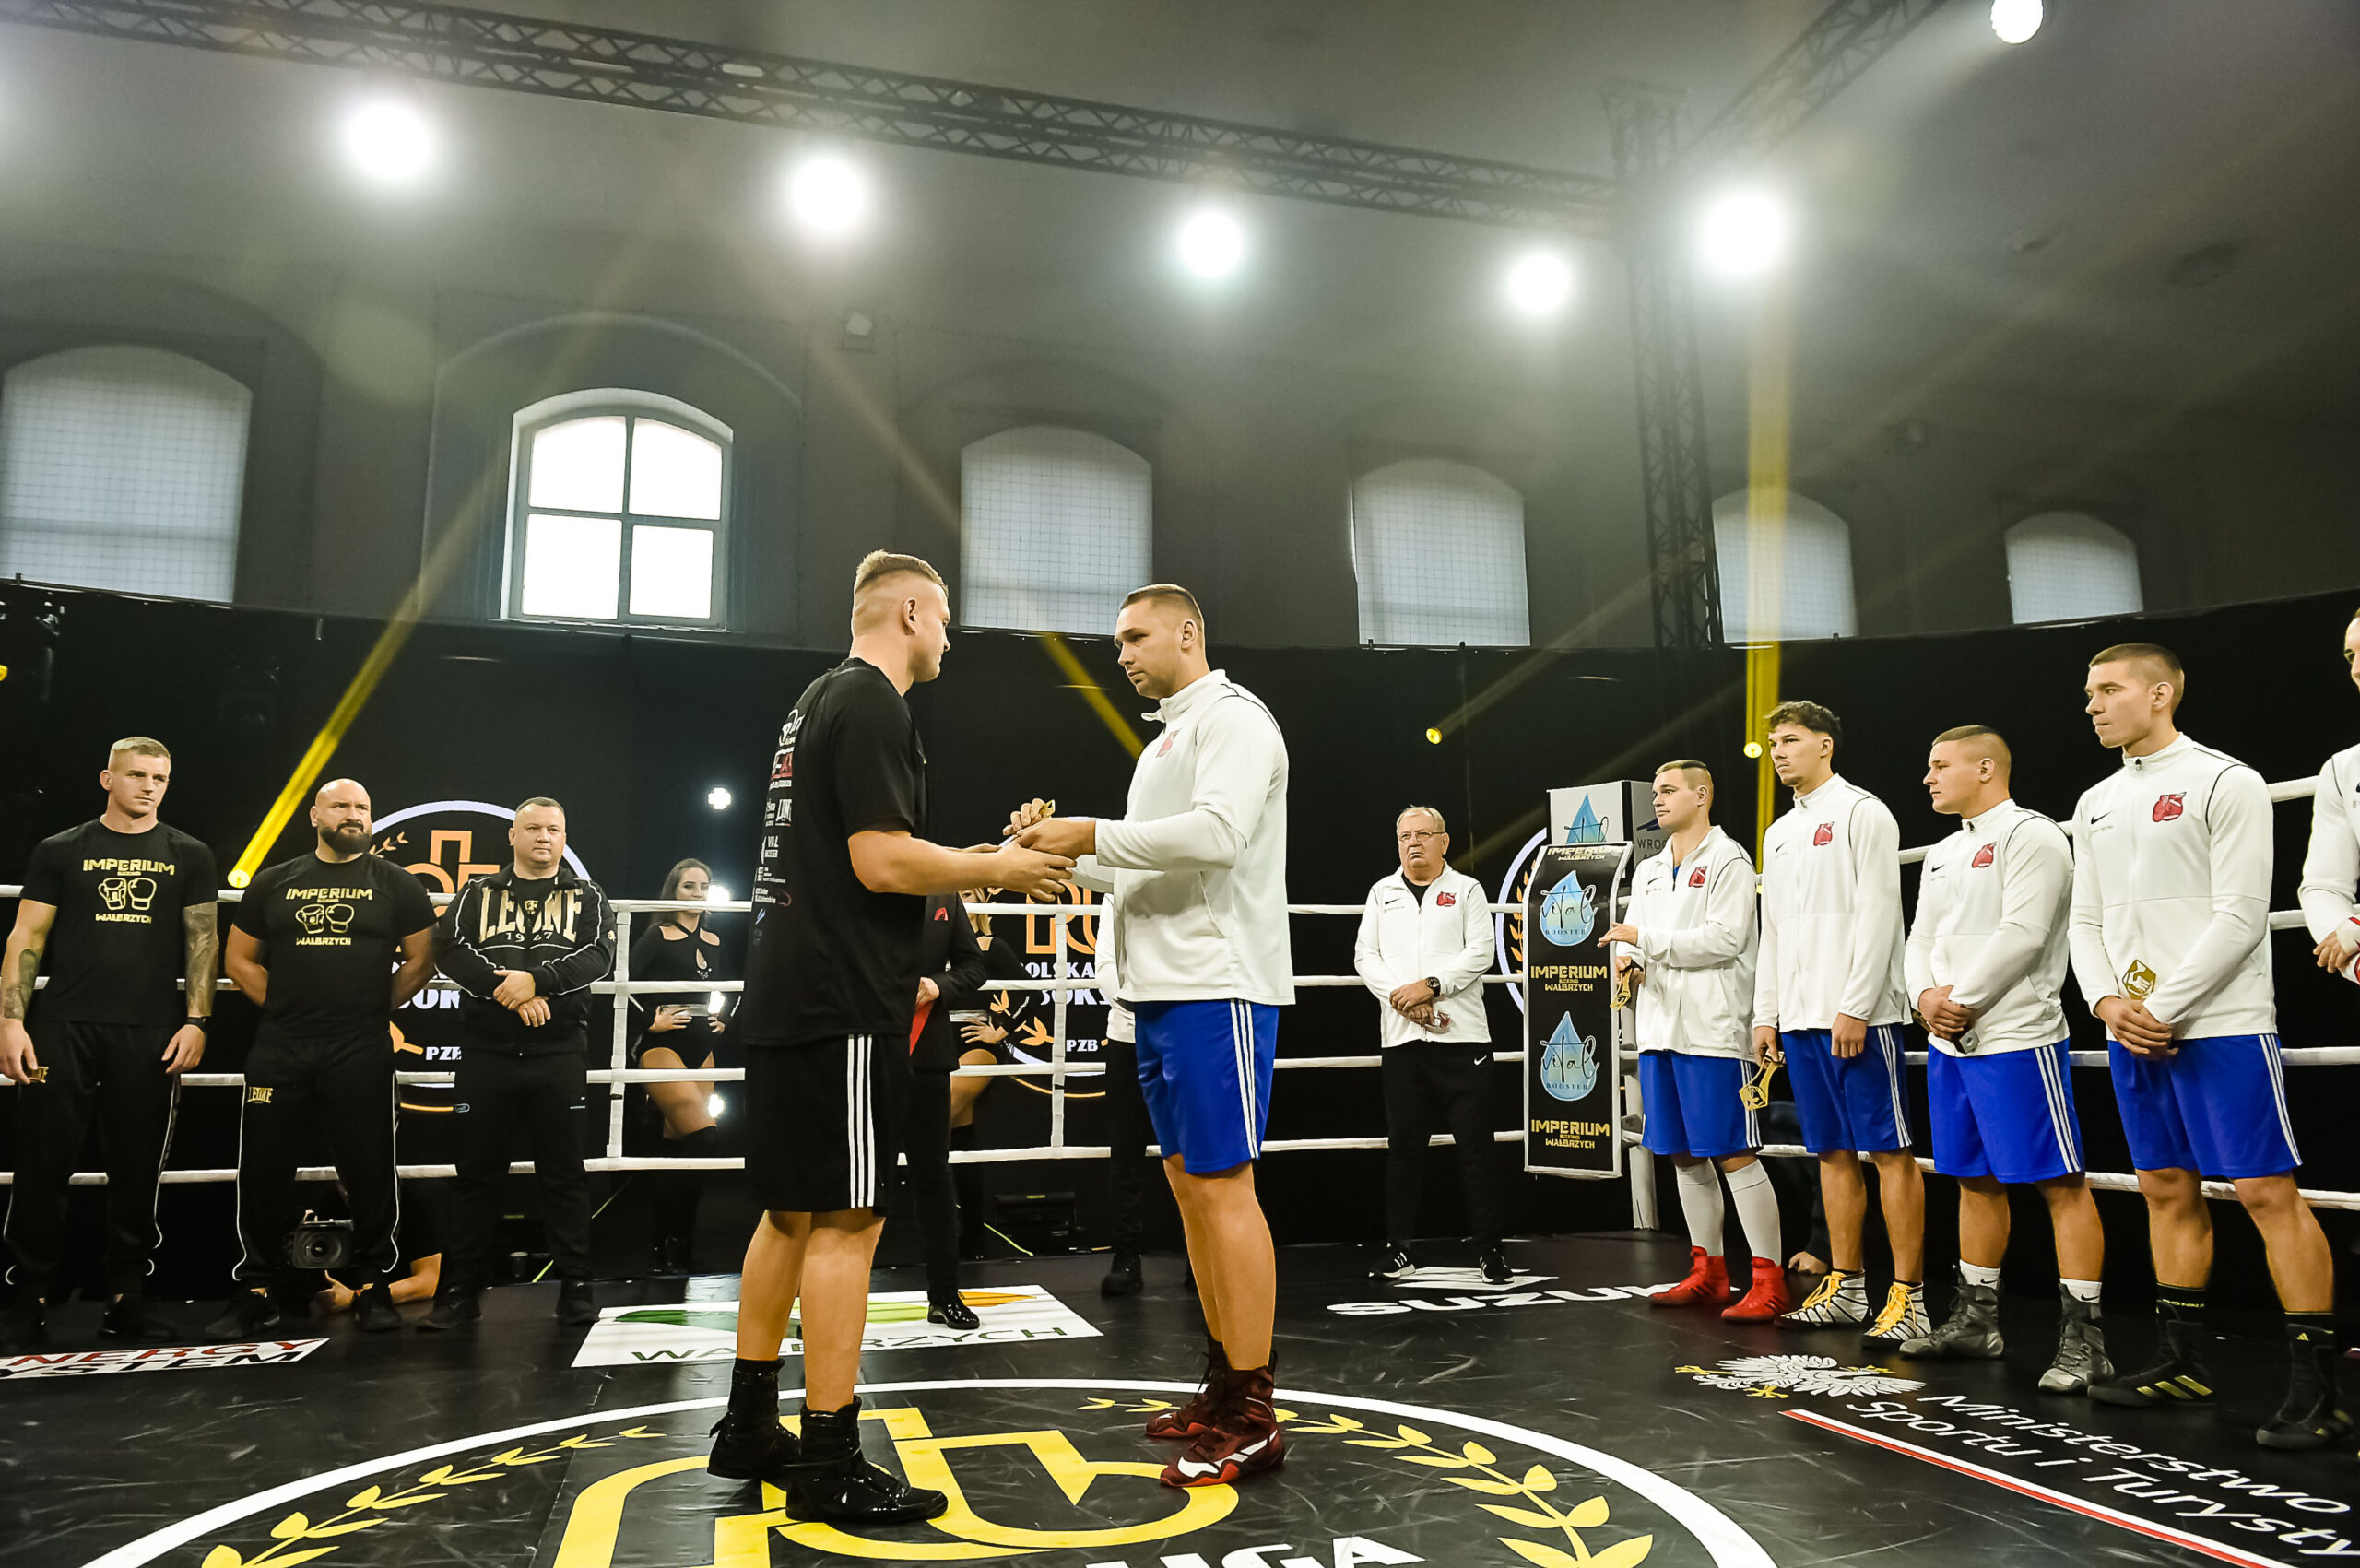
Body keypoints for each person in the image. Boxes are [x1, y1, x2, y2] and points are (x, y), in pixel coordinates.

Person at [705, 551, 1072, 1522]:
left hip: (786, 991)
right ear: (910, 611)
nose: (949, 637)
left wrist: (968, 856)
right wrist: (993, 869)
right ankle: (829, 1455)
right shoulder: (874, 702)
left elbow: (856, 850)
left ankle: (749, 1423)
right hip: (842, 1001)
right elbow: (877, 861)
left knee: (788, 1211)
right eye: (943, 617)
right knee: (847, 1220)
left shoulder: (815, 700)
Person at [1017, 583, 1293, 1490]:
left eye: (1135, 637)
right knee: (1189, 1190)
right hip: (1158, 992)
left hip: (1218, 985)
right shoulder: (1165, 741)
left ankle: (1254, 1412)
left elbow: (1218, 837)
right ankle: (1224, 1383)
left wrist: (1089, 832)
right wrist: (1059, 855)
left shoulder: (1235, 719)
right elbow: (1145, 866)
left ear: (1187, 631)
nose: (1123, 654)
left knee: (1223, 1188)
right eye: (1117, 643)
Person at [2071, 643, 2344, 1444]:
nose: (2093, 704)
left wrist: (2161, 1006)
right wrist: (2107, 1002)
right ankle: (2181, 1361)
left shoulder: (2227, 780)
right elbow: (2084, 918)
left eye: (2109, 689)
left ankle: (2318, 1390)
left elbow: (2242, 911)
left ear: (2160, 694)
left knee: (2265, 1192)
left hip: (2222, 1022)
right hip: (2133, 1026)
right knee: (2163, 1186)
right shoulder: (2095, 800)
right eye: (2089, 692)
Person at [1897, 728, 2110, 1392]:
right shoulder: (1942, 851)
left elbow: (2026, 932)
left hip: (2017, 1035)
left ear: (1986, 768)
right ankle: (1976, 1321)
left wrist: (1959, 1000)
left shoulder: (2033, 835)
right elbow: (1919, 937)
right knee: (1971, 1178)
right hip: (1948, 1040)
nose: (1928, 777)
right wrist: (1925, 998)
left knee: (2059, 1183)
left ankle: (2087, 1343)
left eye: (1941, 765)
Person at [1, 737, 217, 1350]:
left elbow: (204, 941)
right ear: (108, 778)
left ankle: (127, 1298)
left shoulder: (189, 853)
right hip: (63, 1025)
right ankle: (28, 1296)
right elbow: (26, 937)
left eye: (160, 777)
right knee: (42, 1162)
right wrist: (11, 1021)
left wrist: (199, 1020)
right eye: (137, 775)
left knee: (137, 1166)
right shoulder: (61, 849)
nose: (149, 786)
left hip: (151, 1030)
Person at [210, 778, 438, 1338]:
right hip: (282, 1044)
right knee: (263, 1167)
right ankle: (256, 1287)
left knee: (369, 1167)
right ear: (315, 815)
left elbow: (423, 959)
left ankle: (374, 1285)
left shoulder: (397, 883)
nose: (353, 814)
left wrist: (372, 1007)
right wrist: (286, 1007)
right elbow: (237, 959)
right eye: (340, 806)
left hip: (359, 1043)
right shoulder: (275, 881)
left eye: (362, 806)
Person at [1751, 701, 1928, 1346]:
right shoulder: (1779, 832)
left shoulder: (1863, 812)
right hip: (1799, 1017)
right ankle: (1846, 1286)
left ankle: (1909, 1297)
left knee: (1889, 1150)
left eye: (1791, 740)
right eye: (1774, 742)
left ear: (1825, 745)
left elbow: (1881, 913)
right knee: (1829, 1150)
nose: (1779, 752)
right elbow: (1773, 929)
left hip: (1860, 1016)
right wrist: (1765, 1013)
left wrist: (1856, 1004)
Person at [1599, 761, 1785, 1322]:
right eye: (1655, 792)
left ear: (1702, 795)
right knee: (1680, 1152)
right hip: (1660, 1027)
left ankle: (1769, 1280)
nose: (1658, 800)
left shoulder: (1729, 859)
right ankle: (1709, 1271)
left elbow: (1726, 939)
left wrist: (1643, 939)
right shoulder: (1651, 869)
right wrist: (1628, 962)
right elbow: (1632, 940)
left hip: (1713, 1028)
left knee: (1732, 1150)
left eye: (1669, 791)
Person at [421, 798, 615, 1330]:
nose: (544, 837)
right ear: (512, 835)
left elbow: (599, 956)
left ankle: (576, 1288)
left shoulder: (588, 896)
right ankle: (460, 1292)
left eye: (554, 829)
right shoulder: (477, 893)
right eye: (533, 828)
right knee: (476, 1175)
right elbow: (447, 948)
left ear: (565, 836)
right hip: (489, 1052)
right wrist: (509, 991)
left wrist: (538, 981)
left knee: (565, 1174)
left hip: (558, 1052)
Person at [1354, 804, 1507, 1286]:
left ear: (1444, 841)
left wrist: (1433, 986)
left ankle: (1490, 1249)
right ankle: (1399, 1248)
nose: (1413, 843)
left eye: (1423, 834)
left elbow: (1481, 951)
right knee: (1404, 1148)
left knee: (1476, 1148)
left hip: (1462, 1038)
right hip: (1403, 1039)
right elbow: (1365, 956)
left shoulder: (1467, 890)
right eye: (1405, 836)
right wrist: (1404, 998)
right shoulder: (1381, 893)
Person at [630, 857, 731, 1275]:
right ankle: (672, 1243)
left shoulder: (714, 939)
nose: (697, 893)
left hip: (702, 1046)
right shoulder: (657, 935)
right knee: (704, 1136)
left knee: (681, 1151)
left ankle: (670, 1248)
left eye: (704, 886)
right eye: (689, 886)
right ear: (673, 890)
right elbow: (622, 984)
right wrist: (648, 1021)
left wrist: (722, 1018)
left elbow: (721, 989)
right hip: (663, 1046)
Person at [905, 890, 989, 1328]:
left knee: (934, 1176)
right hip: (865, 1048)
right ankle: (829, 1298)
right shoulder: (862, 882)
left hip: (928, 1055)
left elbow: (974, 966)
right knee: (852, 1182)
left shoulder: (944, 895)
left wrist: (937, 985)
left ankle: (944, 1294)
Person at [2299, 607, 2360, 990]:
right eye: (2351, 656)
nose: (2357, 669)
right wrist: (2356, 963)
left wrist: (2356, 929)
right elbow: (2323, 886)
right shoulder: (2343, 768)